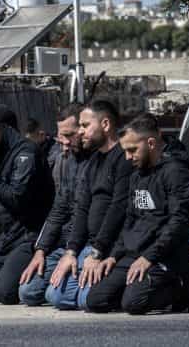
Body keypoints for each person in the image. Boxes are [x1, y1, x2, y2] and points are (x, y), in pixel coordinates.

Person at [84, 116, 189, 314]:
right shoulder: (137, 175)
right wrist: (114, 256)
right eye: (125, 151)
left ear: (151, 143)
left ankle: (185, 287)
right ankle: (139, 289)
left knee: (134, 303)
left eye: (132, 150)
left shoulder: (176, 172)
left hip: (165, 256)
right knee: (96, 300)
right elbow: (130, 221)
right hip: (134, 253)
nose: (128, 157)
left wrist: (149, 257)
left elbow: (179, 222)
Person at [46, 99, 131, 310]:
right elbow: (82, 209)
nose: (80, 131)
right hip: (88, 247)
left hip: (111, 248)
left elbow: (118, 209)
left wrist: (98, 252)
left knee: (88, 301)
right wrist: (71, 252)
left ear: (105, 124)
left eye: (85, 125)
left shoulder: (124, 158)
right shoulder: (93, 162)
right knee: (55, 296)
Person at [0, 109, 53, 304]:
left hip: (29, 235)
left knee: (4, 293)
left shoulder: (25, 153)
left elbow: (16, 199)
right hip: (6, 237)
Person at [18, 104, 89, 306]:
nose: (64, 144)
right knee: (27, 292)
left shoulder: (95, 162)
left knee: (57, 296)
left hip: (85, 243)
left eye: (69, 136)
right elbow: (59, 209)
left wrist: (72, 252)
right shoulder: (66, 161)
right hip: (64, 242)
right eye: (61, 138)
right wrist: (41, 250)